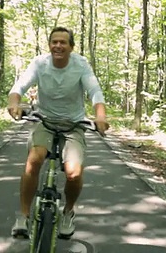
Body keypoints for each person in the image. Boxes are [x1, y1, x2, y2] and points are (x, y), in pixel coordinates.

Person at [7, 26, 109, 239]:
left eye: (63, 42)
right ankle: (24, 216)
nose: (58, 46)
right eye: (54, 42)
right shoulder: (40, 63)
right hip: (44, 120)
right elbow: (20, 86)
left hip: (73, 124)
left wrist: (100, 116)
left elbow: (95, 92)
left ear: (71, 47)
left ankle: (68, 212)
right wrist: (14, 103)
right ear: (50, 45)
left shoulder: (80, 65)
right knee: (34, 160)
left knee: (74, 173)